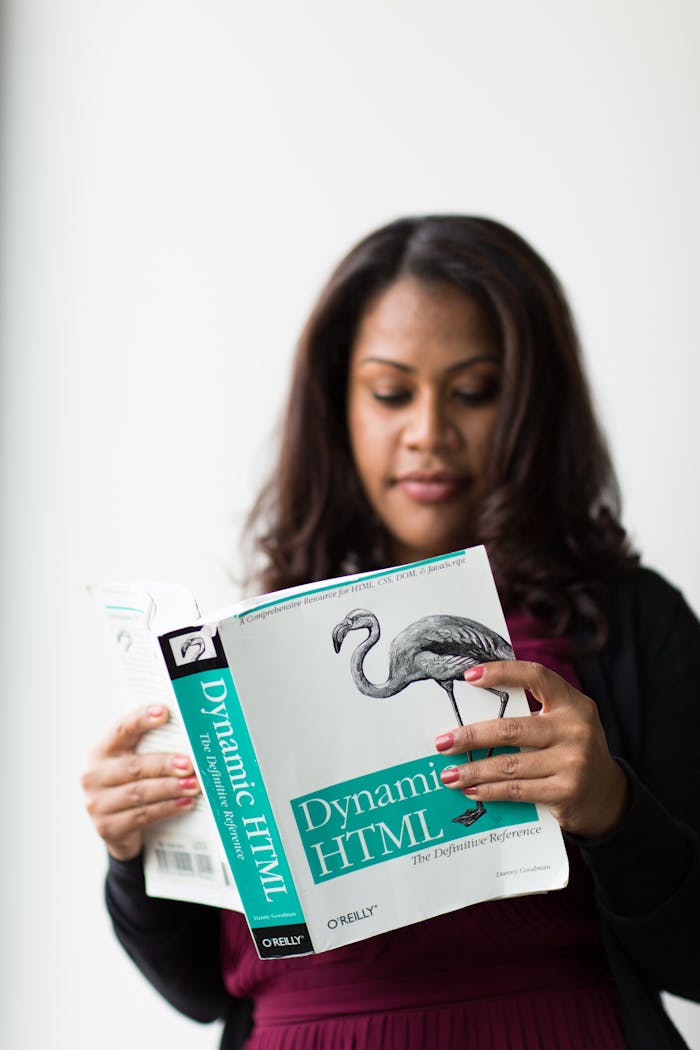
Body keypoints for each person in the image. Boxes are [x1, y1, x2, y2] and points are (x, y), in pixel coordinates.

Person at [82, 216, 700, 1050]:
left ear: (531, 403)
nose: (427, 433)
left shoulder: (628, 624)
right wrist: (136, 852)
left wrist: (614, 811)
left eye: (474, 391)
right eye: (390, 391)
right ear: (338, 403)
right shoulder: (249, 657)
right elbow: (197, 988)